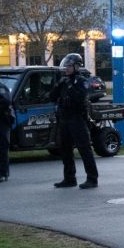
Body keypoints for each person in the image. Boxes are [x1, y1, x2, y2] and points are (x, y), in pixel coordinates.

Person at [50, 53, 99, 189]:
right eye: (66, 66)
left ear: (77, 66)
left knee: (84, 149)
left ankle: (92, 178)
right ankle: (69, 178)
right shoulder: (64, 81)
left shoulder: (81, 81)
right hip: (64, 118)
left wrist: (71, 89)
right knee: (65, 150)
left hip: (77, 118)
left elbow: (80, 98)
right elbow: (52, 97)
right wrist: (57, 85)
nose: (67, 68)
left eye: (69, 66)